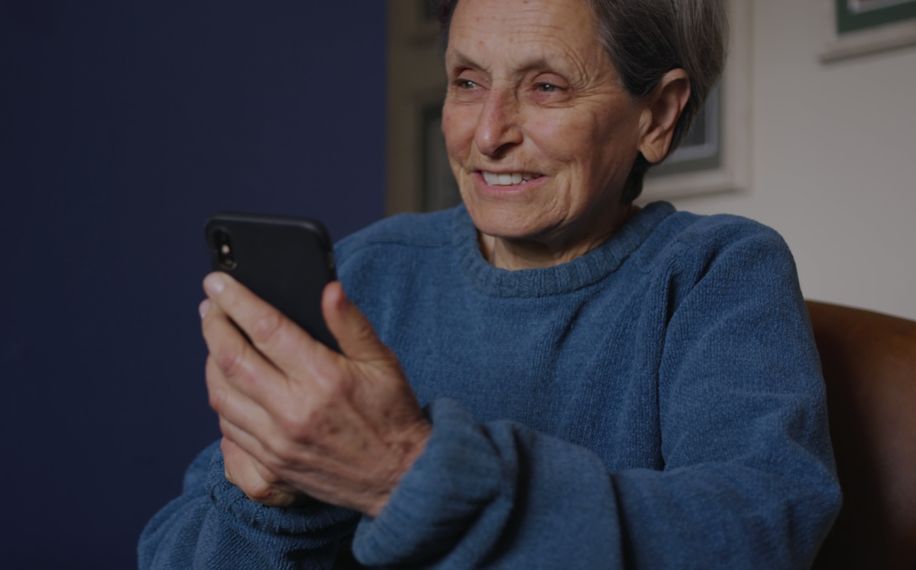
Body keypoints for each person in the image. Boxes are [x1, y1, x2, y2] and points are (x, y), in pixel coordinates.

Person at [138, 0, 841, 567]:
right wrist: (268, 502)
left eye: (545, 86)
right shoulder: (365, 273)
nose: (488, 133)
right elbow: (172, 550)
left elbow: (758, 531)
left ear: (655, 116)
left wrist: (406, 473)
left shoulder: (716, 272)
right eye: (468, 82)